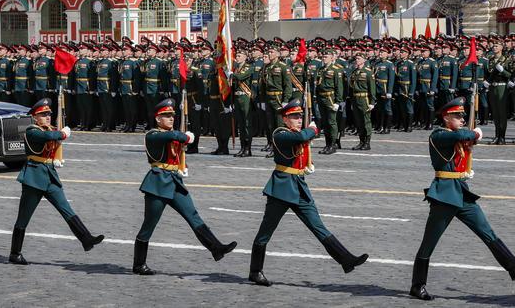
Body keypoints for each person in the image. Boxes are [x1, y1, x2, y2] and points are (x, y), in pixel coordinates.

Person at [409, 97, 515, 300]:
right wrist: (475, 132)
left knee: (486, 231)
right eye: (457, 116)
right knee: (429, 242)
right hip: (444, 196)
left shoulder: (452, 136)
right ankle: (417, 285)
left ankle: (513, 266)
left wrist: (472, 141)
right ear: (446, 117)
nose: (462, 119)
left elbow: (465, 140)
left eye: (462, 115)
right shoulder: (439, 135)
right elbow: (463, 135)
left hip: (461, 192)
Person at [249, 99, 367, 286]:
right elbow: (302, 137)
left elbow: (304, 140)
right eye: (294, 116)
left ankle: (346, 259)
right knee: (265, 232)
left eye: (300, 116)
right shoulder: (280, 134)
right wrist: (312, 128)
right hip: (281, 189)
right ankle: (255, 271)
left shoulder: (297, 133)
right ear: (285, 119)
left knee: (318, 226)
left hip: (299, 186)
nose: (298, 119)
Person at [132, 99, 236, 275]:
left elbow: (176, 152)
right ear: (158, 119)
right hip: (158, 183)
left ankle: (216, 248)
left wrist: (182, 166)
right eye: (166, 115)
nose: (171, 118)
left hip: (174, 181)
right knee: (149, 225)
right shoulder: (153, 135)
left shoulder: (170, 133)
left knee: (193, 215)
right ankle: (138, 264)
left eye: (172, 115)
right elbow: (173, 137)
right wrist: (187, 137)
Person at [9, 98, 104, 265]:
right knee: (23, 218)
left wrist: (56, 157)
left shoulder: (50, 129)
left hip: (49, 175)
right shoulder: (32, 131)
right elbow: (48, 136)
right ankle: (15, 253)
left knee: (66, 208)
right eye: (43, 115)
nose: (47, 117)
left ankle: (86, 238)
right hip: (34, 177)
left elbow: (53, 137)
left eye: (49, 114)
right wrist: (63, 134)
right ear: (35, 117)